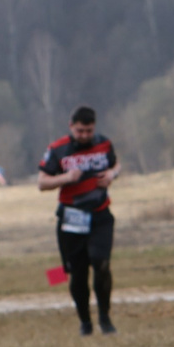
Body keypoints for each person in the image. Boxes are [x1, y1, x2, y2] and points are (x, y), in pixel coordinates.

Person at [39, 106, 120, 335]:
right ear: (71, 126)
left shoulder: (104, 144)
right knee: (78, 273)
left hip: (100, 214)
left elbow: (116, 164)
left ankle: (105, 318)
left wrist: (113, 174)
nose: (84, 135)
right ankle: (85, 322)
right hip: (71, 217)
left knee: (101, 263)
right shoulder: (57, 149)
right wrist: (66, 177)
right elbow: (41, 182)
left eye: (89, 131)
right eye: (80, 130)